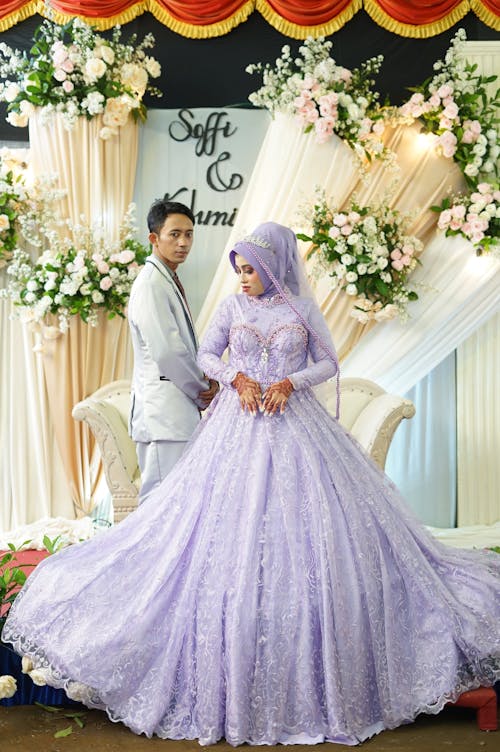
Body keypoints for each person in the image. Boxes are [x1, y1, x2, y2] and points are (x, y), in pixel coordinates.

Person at [3, 223, 500, 746]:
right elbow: (205, 356)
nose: (242, 279)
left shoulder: (302, 309)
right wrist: (235, 378)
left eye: (250, 271)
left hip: (296, 424)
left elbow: (329, 361)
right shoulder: (232, 307)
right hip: (237, 426)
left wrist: (291, 381)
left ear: (273, 267)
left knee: (315, 531)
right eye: (238, 270)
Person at [128, 198, 218, 502]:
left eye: (189, 234)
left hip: (173, 414)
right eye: (175, 234)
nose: (183, 243)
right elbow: (168, 351)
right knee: (159, 504)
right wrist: (202, 388)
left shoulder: (166, 278)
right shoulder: (151, 284)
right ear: (154, 238)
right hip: (162, 416)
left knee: (175, 504)